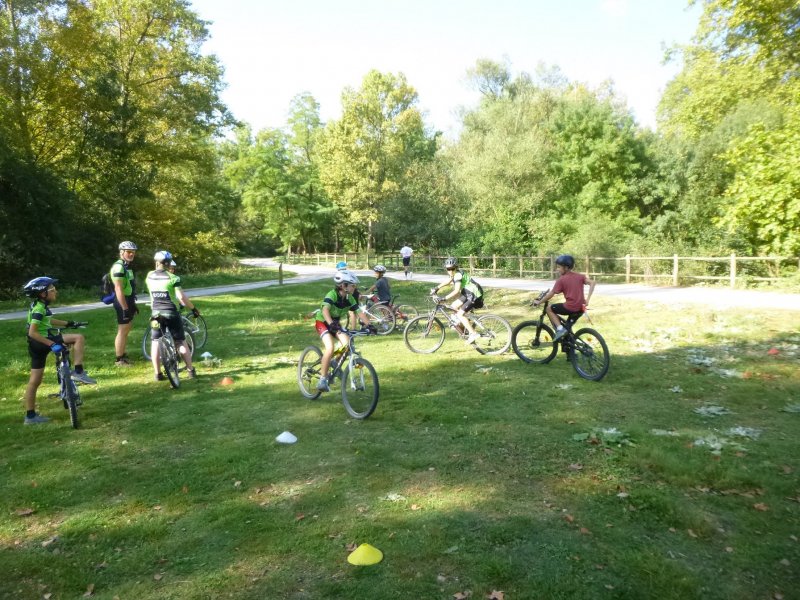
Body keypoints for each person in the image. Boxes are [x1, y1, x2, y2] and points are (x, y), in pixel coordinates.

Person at [22, 277, 97, 424]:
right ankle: (78, 371)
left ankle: (30, 416)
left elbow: (48, 321)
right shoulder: (39, 309)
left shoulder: (38, 305)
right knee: (79, 338)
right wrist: (51, 344)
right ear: (43, 293)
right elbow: (33, 332)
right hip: (42, 341)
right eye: (51, 289)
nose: (55, 290)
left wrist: (69, 323)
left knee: (34, 381)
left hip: (35, 345)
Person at [313, 271, 373, 392]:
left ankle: (335, 362)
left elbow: (359, 312)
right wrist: (331, 324)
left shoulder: (349, 298)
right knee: (329, 348)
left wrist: (369, 325)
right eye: (352, 285)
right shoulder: (332, 295)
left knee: (347, 344)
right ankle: (323, 380)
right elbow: (325, 311)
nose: (355, 287)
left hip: (334, 323)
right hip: (323, 322)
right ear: (343, 286)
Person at [145, 250, 198, 380]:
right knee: (180, 341)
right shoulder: (173, 278)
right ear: (169, 263)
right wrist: (193, 308)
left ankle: (157, 374)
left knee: (155, 342)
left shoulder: (149, 276)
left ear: (156, 262)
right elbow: (181, 297)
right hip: (171, 313)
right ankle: (190, 370)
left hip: (156, 313)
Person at [533, 254, 596, 341]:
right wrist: (587, 299)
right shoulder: (580, 276)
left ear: (566, 268)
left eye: (559, 267)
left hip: (570, 307)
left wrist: (539, 302)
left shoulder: (561, 280)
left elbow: (551, 294)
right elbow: (593, 283)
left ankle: (559, 329)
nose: (557, 269)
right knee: (568, 330)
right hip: (581, 308)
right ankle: (571, 352)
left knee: (549, 309)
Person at [431, 257, 484, 344]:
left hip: (474, 294)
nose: (450, 271)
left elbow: (456, 291)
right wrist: (436, 288)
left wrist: (443, 298)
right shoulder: (455, 274)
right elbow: (448, 281)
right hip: (468, 293)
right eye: (448, 269)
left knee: (460, 314)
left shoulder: (458, 275)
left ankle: (473, 333)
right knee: (453, 306)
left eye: (452, 268)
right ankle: (463, 328)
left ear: (456, 268)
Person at [111, 241, 139, 366]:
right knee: (122, 330)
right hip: (122, 301)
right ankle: (119, 359)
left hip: (128, 300)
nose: (131, 254)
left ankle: (123, 354)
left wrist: (132, 304)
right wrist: (125, 308)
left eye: (133, 252)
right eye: (128, 252)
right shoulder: (119, 267)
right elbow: (118, 289)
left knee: (127, 329)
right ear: (121, 252)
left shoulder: (127, 266)